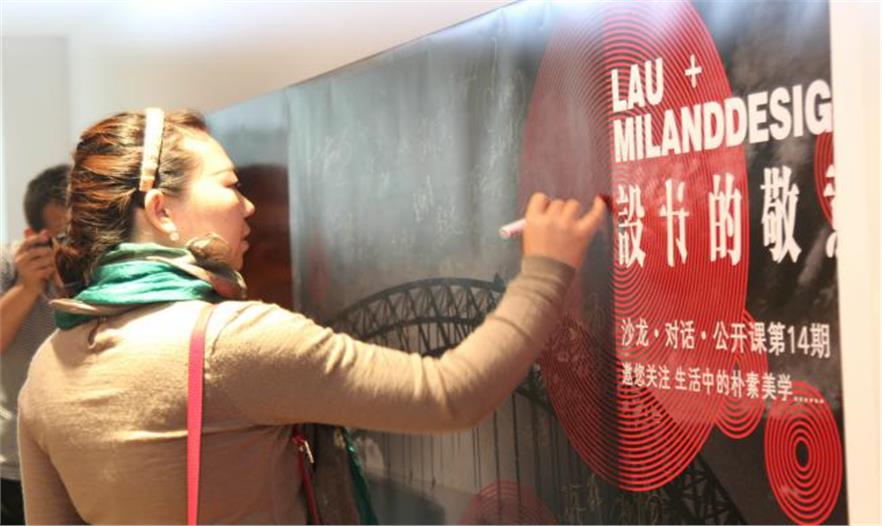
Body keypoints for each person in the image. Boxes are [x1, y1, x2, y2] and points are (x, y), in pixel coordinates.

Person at [17, 108, 607, 524]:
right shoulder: (231, 343)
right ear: (162, 211)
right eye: (230, 185)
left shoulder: (48, 367)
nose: (248, 206)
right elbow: (450, 393)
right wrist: (546, 270)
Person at [0, 164, 69, 525]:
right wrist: (27, 288)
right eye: (65, 237)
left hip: (87, 458)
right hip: (15, 464)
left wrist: (70, 288)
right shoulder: (7, 265)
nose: (78, 250)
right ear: (35, 236)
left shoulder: (105, 267)